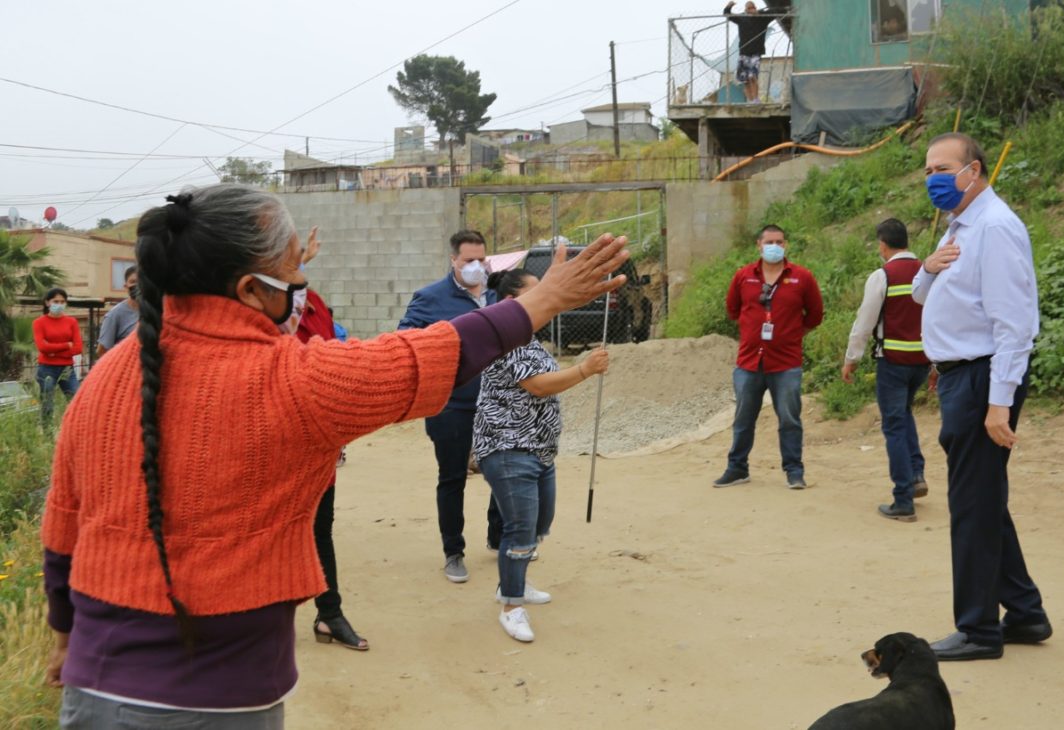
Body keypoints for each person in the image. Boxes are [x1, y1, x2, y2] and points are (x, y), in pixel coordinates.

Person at [40, 183, 629, 726]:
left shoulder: (106, 377)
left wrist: (63, 632)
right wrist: (542, 301)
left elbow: (63, 522)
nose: (303, 284)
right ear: (249, 289)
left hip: (92, 683)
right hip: (213, 699)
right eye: (296, 266)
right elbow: (425, 355)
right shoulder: (289, 377)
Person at [913, 133, 1051, 661]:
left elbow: (1013, 325)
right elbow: (929, 293)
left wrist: (998, 403)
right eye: (927, 171)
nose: (933, 180)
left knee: (972, 505)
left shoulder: (994, 228)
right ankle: (1025, 613)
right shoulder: (961, 227)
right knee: (984, 500)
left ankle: (978, 630)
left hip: (982, 377)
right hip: (960, 376)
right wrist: (927, 268)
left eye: (942, 168)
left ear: (973, 170)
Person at [474, 269, 610, 642]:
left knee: (537, 525)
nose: (548, 298)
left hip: (539, 449)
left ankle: (512, 584)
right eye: (538, 292)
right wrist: (583, 369)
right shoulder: (508, 339)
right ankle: (511, 605)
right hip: (508, 447)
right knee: (519, 530)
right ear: (510, 303)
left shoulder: (530, 340)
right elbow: (535, 385)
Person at [398, 230, 504, 584]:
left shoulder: (497, 295)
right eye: (468, 261)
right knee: (453, 477)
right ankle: (453, 552)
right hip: (452, 405)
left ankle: (498, 534)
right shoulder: (429, 298)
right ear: (453, 261)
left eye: (481, 259)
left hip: (499, 402)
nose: (476, 266)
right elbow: (405, 339)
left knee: (502, 470)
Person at [715, 225, 824, 489]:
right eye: (769, 241)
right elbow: (732, 310)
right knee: (743, 419)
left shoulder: (802, 277)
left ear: (785, 245)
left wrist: (793, 334)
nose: (775, 246)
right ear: (759, 245)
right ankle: (737, 468)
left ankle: (794, 471)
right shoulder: (744, 276)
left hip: (786, 362)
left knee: (789, 419)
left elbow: (815, 315)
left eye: (779, 241)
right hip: (749, 361)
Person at [841, 218, 931, 522]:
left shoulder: (883, 276)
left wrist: (852, 357)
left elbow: (864, 322)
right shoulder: (927, 269)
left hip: (892, 362)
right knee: (904, 413)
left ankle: (903, 498)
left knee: (893, 424)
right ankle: (916, 474)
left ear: (883, 244)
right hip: (922, 361)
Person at [295, 280, 368, 651]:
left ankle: (329, 614)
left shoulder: (314, 304)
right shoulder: (244, 301)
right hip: (269, 442)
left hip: (317, 441)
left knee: (321, 529)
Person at [32, 287, 82, 428]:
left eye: (62, 301)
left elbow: (78, 348)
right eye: (56, 301)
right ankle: (47, 436)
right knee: (47, 405)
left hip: (67, 369)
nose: (59, 304)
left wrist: (53, 350)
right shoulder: (39, 323)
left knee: (76, 400)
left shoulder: (72, 322)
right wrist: (67, 345)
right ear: (47, 302)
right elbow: (42, 347)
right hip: (47, 369)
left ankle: (74, 431)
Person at [724, 1, 773, 103]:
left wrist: (760, 13)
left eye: (752, 8)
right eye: (748, 8)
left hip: (756, 52)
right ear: (745, 10)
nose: (750, 10)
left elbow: (775, 12)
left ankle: (755, 99)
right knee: (745, 79)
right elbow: (727, 14)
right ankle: (750, 100)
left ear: (755, 8)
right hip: (744, 52)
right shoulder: (742, 19)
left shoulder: (762, 18)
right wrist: (729, 6)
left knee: (753, 76)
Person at [95, 265, 140, 358]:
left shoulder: (156, 311)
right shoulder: (115, 315)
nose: (137, 285)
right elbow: (102, 351)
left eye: (140, 282)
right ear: (125, 286)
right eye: (133, 282)